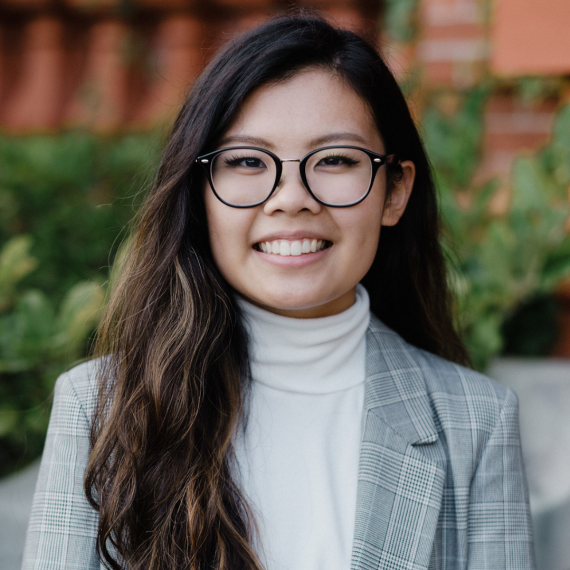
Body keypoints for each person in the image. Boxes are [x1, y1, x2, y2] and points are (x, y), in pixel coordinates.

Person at [22, 13, 536, 570]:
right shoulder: (99, 408)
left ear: (394, 191)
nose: (291, 198)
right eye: (246, 161)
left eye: (336, 159)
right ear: (200, 193)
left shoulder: (474, 420)